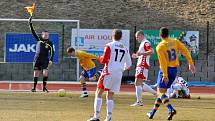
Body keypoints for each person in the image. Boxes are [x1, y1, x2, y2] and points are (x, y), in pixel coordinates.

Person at [147, 27, 196, 120]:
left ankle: (171, 109)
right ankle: (152, 113)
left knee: (160, 92)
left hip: (165, 70)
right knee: (162, 93)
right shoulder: (175, 41)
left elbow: (163, 63)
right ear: (168, 34)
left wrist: (165, 75)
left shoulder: (160, 46)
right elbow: (186, 51)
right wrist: (191, 63)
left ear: (160, 35)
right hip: (174, 71)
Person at [87, 29, 132, 121]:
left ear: (112, 36)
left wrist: (100, 58)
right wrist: (120, 69)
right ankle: (109, 117)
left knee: (98, 92)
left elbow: (104, 60)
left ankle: (96, 116)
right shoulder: (125, 48)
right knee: (110, 95)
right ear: (121, 37)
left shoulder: (109, 45)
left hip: (108, 72)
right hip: (118, 74)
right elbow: (129, 64)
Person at [130, 30, 156, 107]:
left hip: (143, 64)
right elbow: (141, 54)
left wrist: (141, 53)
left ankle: (139, 102)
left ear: (141, 35)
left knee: (138, 82)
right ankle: (155, 93)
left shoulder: (145, 42)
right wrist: (136, 55)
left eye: (137, 37)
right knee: (139, 83)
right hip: (141, 64)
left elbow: (151, 51)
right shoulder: (142, 43)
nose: (136, 39)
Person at [28, 16, 54, 92]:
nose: (46, 36)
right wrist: (30, 23)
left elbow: (52, 52)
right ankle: (34, 88)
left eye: (47, 35)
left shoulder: (50, 43)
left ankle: (44, 88)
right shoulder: (39, 39)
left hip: (45, 59)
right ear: (42, 35)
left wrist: (51, 60)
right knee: (36, 73)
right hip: (37, 59)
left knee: (45, 73)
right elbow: (33, 31)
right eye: (45, 35)